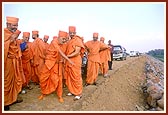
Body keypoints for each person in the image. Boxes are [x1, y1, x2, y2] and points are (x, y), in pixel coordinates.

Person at [38, 30, 73, 103]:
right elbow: (60, 51)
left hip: (57, 64)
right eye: (63, 39)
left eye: (65, 39)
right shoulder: (54, 41)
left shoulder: (64, 44)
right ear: (59, 37)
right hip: (49, 64)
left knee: (58, 80)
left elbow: (66, 52)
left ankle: (59, 95)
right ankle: (44, 93)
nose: (64, 41)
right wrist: (68, 60)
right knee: (43, 78)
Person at [4, 16, 24, 110]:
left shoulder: (13, 35)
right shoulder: (3, 33)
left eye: (16, 25)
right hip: (6, 62)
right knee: (6, 82)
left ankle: (13, 98)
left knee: (14, 80)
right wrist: (11, 40)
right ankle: (4, 102)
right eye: (14, 25)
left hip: (14, 62)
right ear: (8, 24)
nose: (15, 27)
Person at [64, 26, 85, 100]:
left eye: (73, 33)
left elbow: (77, 52)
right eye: (70, 33)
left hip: (75, 61)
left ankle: (78, 93)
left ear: (75, 33)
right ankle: (72, 91)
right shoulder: (70, 41)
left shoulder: (77, 40)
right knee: (70, 76)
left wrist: (67, 56)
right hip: (69, 61)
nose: (72, 34)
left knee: (76, 77)